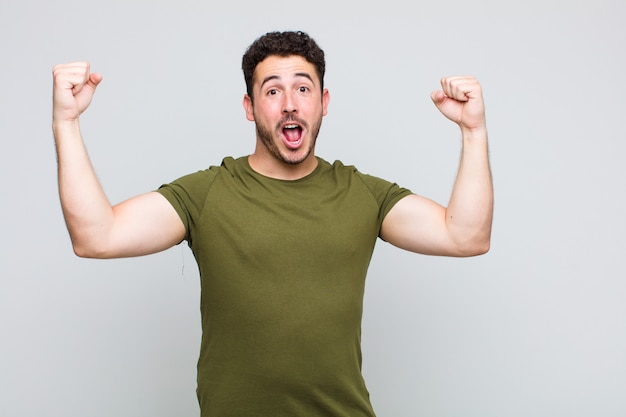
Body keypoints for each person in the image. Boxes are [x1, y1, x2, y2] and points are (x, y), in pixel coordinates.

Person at [52, 31, 493, 416]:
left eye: (303, 89)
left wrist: (473, 132)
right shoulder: (207, 194)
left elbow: (466, 236)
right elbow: (96, 236)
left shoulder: (362, 194)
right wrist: (66, 122)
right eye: (272, 91)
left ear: (324, 103)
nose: (289, 105)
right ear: (250, 106)